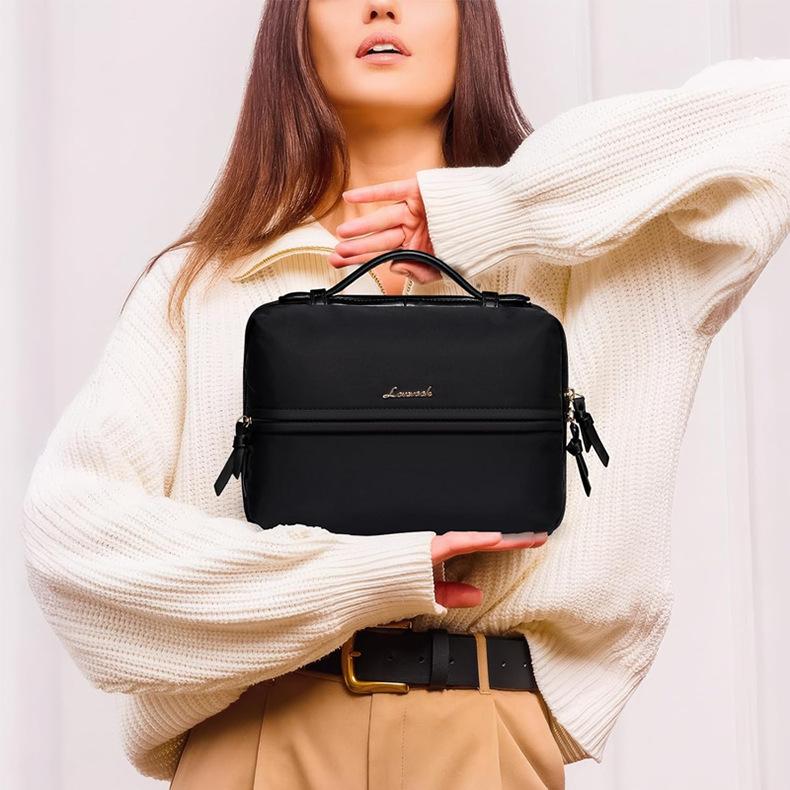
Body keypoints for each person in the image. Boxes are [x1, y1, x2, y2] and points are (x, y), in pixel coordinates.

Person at [19, 1, 790, 788]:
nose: (381, 5)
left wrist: (489, 212)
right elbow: (72, 538)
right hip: (255, 735)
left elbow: (777, 114)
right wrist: (360, 576)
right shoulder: (201, 285)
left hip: (482, 734)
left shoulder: (595, 258)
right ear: (295, 26)